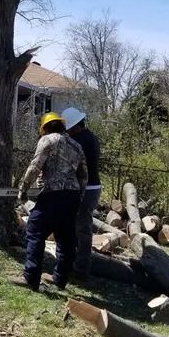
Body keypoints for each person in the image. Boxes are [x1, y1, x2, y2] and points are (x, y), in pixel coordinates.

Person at [14, 111, 87, 291]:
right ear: (62, 125)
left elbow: (35, 166)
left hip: (53, 194)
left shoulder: (47, 140)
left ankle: (31, 278)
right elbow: (84, 175)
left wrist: (23, 190)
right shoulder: (76, 145)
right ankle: (60, 279)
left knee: (35, 231)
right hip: (72, 196)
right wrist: (79, 196)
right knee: (65, 239)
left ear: (45, 128)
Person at [60, 107, 101, 280]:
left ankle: (81, 269)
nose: (66, 131)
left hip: (86, 189)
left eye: (68, 128)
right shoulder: (90, 136)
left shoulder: (80, 141)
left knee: (82, 229)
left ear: (75, 125)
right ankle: (75, 263)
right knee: (77, 227)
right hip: (91, 187)